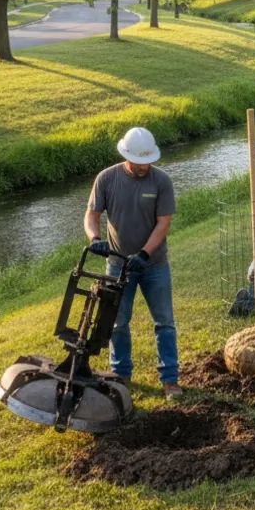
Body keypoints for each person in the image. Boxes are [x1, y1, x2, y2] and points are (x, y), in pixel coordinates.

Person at [84, 127, 181, 399]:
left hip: (154, 265)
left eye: (147, 161)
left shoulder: (161, 181)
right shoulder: (107, 179)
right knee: (117, 322)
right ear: (126, 156)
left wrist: (145, 254)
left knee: (164, 322)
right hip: (117, 265)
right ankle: (121, 376)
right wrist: (95, 239)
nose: (143, 167)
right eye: (139, 162)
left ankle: (170, 380)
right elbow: (91, 215)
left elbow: (164, 222)